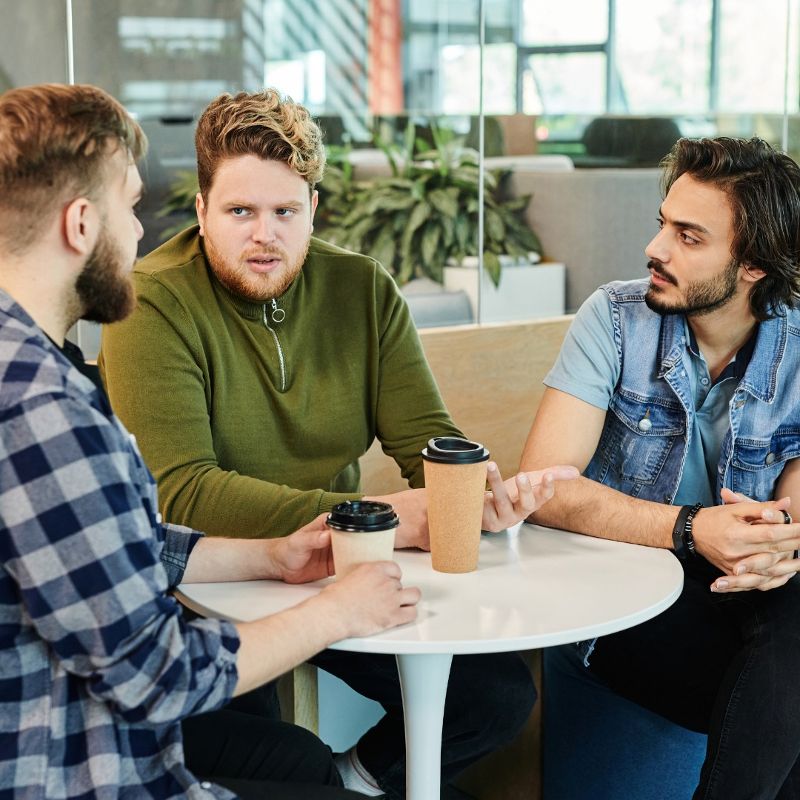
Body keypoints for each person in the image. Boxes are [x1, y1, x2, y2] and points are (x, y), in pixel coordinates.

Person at [99, 88, 577, 798]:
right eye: (240, 211)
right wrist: (380, 516)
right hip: (210, 582)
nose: (265, 235)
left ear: (313, 209)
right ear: (200, 211)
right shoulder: (152, 300)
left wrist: (475, 488)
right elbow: (183, 492)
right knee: (269, 744)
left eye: (285, 212)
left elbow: (430, 441)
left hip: (338, 562)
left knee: (496, 695)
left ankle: (356, 784)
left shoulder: (360, 288)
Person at [0, 82, 422, 800]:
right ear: (80, 223)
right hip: (78, 764)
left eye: (286, 210)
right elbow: (158, 677)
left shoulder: (31, 366)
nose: (139, 234)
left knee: (310, 768)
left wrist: (268, 554)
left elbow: (110, 543)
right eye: (130, 207)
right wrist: (336, 610)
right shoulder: (42, 410)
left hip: (92, 723)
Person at [521, 136, 800, 799]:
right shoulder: (614, 321)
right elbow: (543, 486)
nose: (656, 249)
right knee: (783, 698)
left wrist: (779, 542)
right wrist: (691, 528)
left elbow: (793, 513)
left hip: (753, 594)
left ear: (754, 265)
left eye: (689, 237)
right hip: (625, 588)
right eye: (662, 225)